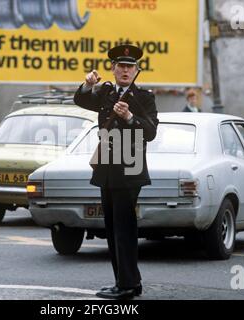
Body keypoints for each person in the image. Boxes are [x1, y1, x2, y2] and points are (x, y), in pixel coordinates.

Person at [73, 44, 159, 299]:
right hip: (108, 165)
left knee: (124, 228)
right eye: (120, 66)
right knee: (111, 228)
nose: (125, 71)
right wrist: (88, 84)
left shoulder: (144, 97)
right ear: (112, 69)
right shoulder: (107, 93)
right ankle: (123, 281)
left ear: (137, 70)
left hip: (129, 164)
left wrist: (131, 117)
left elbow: (151, 132)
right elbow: (81, 99)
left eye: (129, 67)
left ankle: (129, 285)